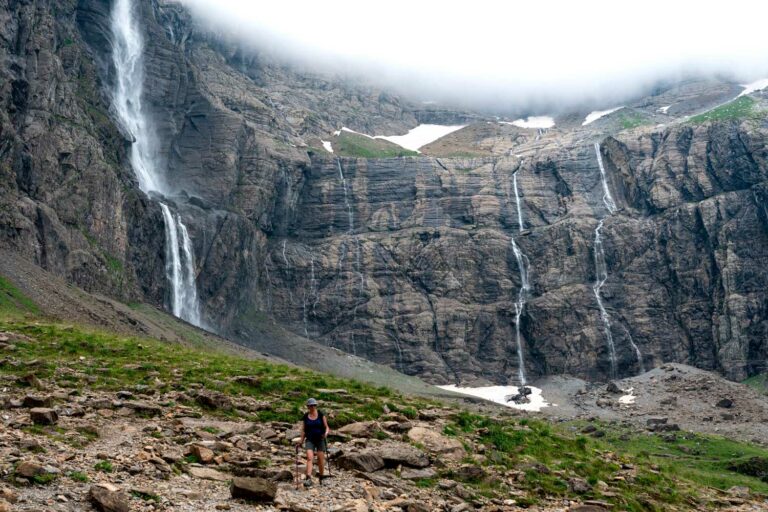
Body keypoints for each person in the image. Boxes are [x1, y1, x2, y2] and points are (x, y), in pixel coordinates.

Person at [298, 397, 330, 487]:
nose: (312, 407)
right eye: (310, 406)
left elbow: (326, 427)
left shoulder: (321, 414)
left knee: (320, 459)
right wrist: (301, 441)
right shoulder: (305, 416)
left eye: (314, 405)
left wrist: (326, 433)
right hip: (310, 439)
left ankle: (321, 477)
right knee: (309, 458)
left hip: (320, 439)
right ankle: (308, 478)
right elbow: (303, 430)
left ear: (315, 406)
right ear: (308, 406)